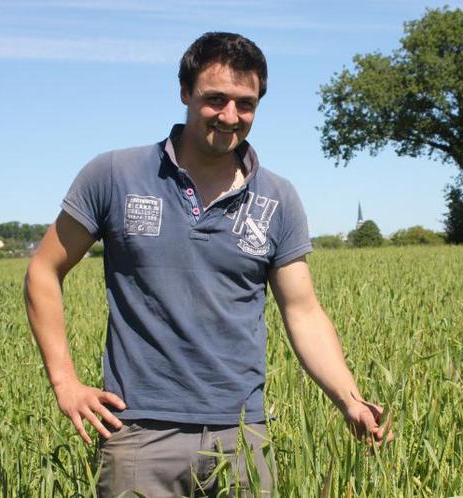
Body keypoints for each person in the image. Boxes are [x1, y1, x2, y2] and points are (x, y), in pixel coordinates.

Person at [23, 32, 392, 497]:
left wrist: (350, 400)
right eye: (215, 99)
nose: (231, 116)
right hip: (139, 433)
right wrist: (65, 382)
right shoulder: (115, 175)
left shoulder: (278, 198)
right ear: (184, 93)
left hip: (243, 435)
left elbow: (303, 311)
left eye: (246, 103)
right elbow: (43, 269)